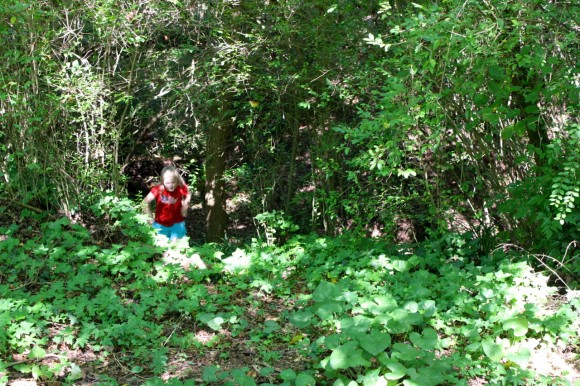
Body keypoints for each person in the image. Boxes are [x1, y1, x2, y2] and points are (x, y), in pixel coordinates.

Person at [142, 165, 191, 241]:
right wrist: (150, 219)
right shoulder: (158, 189)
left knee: (177, 249)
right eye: (167, 183)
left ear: (177, 180)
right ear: (162, 181)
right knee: (163, 250)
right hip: (160, 225)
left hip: (177, 224)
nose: (171, 185)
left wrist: (185, 206)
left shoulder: (180, 187)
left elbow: (188, 194)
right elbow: (144, 203)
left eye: (173, 182)